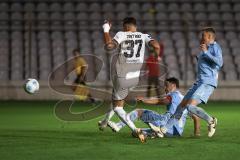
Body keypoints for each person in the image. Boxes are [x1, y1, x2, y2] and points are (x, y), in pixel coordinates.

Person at [98, 17, 160, 142]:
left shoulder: (122, 34)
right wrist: (156, 56)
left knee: (118, 107)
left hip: (122, 75)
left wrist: (105, 30)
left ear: (126, 27)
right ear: (135, 26)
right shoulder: (143, 36)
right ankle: (104, 122)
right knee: (116, 99)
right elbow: (156, 46)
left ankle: (135, 130)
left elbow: (110, 46)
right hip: (134, 77)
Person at [107, 77, 200, 138]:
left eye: (166, 86)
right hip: (176, 133)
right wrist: (197, 134)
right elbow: (196, 118)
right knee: (136, 133)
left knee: (139, 111)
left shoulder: (173, 95)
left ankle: (118, 126)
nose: (165, 88)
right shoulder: (185, 99)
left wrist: (144, 100)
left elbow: (161, 101)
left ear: (173, 85)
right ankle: (156, 133)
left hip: (165, 123)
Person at [173, 27, 223, 137]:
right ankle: (165, 128)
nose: (201, 37)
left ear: (209, 37)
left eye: (203, 35)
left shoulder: (215, 47)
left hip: (207, 82)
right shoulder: (206, 48)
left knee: (190, 107)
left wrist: (205, 52)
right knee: (181, 106)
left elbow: (220, 62)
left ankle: (211, 120)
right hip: (199, 82)